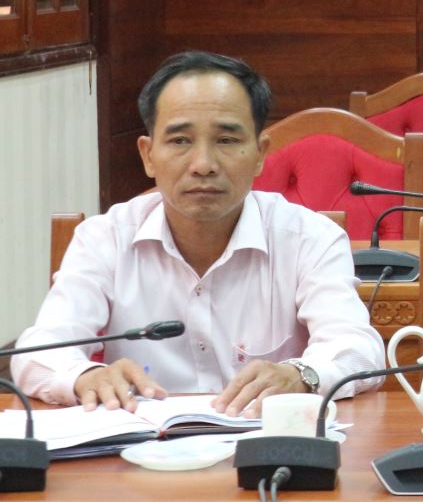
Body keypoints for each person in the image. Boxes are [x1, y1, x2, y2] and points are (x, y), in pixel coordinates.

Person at [12, 51, 385, 415]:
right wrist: (84, 375)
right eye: (180, 141)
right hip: (142, 447)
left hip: (266, 443)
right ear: (148, 155)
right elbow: (38, 350)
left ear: (260, 153)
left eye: (226, 140)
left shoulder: (310, 239)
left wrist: (301, 374)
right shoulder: (104, 239)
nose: (203, 165)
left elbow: (356, 347)